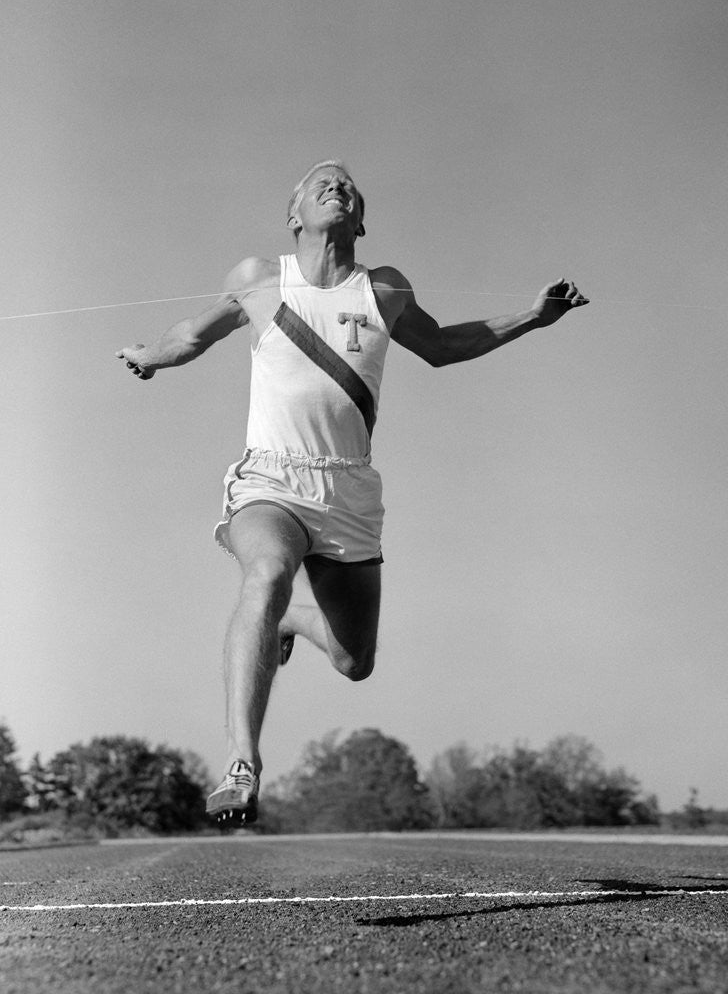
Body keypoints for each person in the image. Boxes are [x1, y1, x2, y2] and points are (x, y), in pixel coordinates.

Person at [115, 160, 589, 826]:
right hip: (272, 478)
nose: (336, 187)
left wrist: (533, 318)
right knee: (267, 573)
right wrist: (150, 356)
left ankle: (289, 621)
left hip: (349, 489)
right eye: (321, 184)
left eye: (348, 188)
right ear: (294, 216)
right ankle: (242, 763)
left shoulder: (384, 288)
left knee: (354, 660)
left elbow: (445, 345)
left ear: (361, 221)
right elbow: (191, 334)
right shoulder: (260, 278)